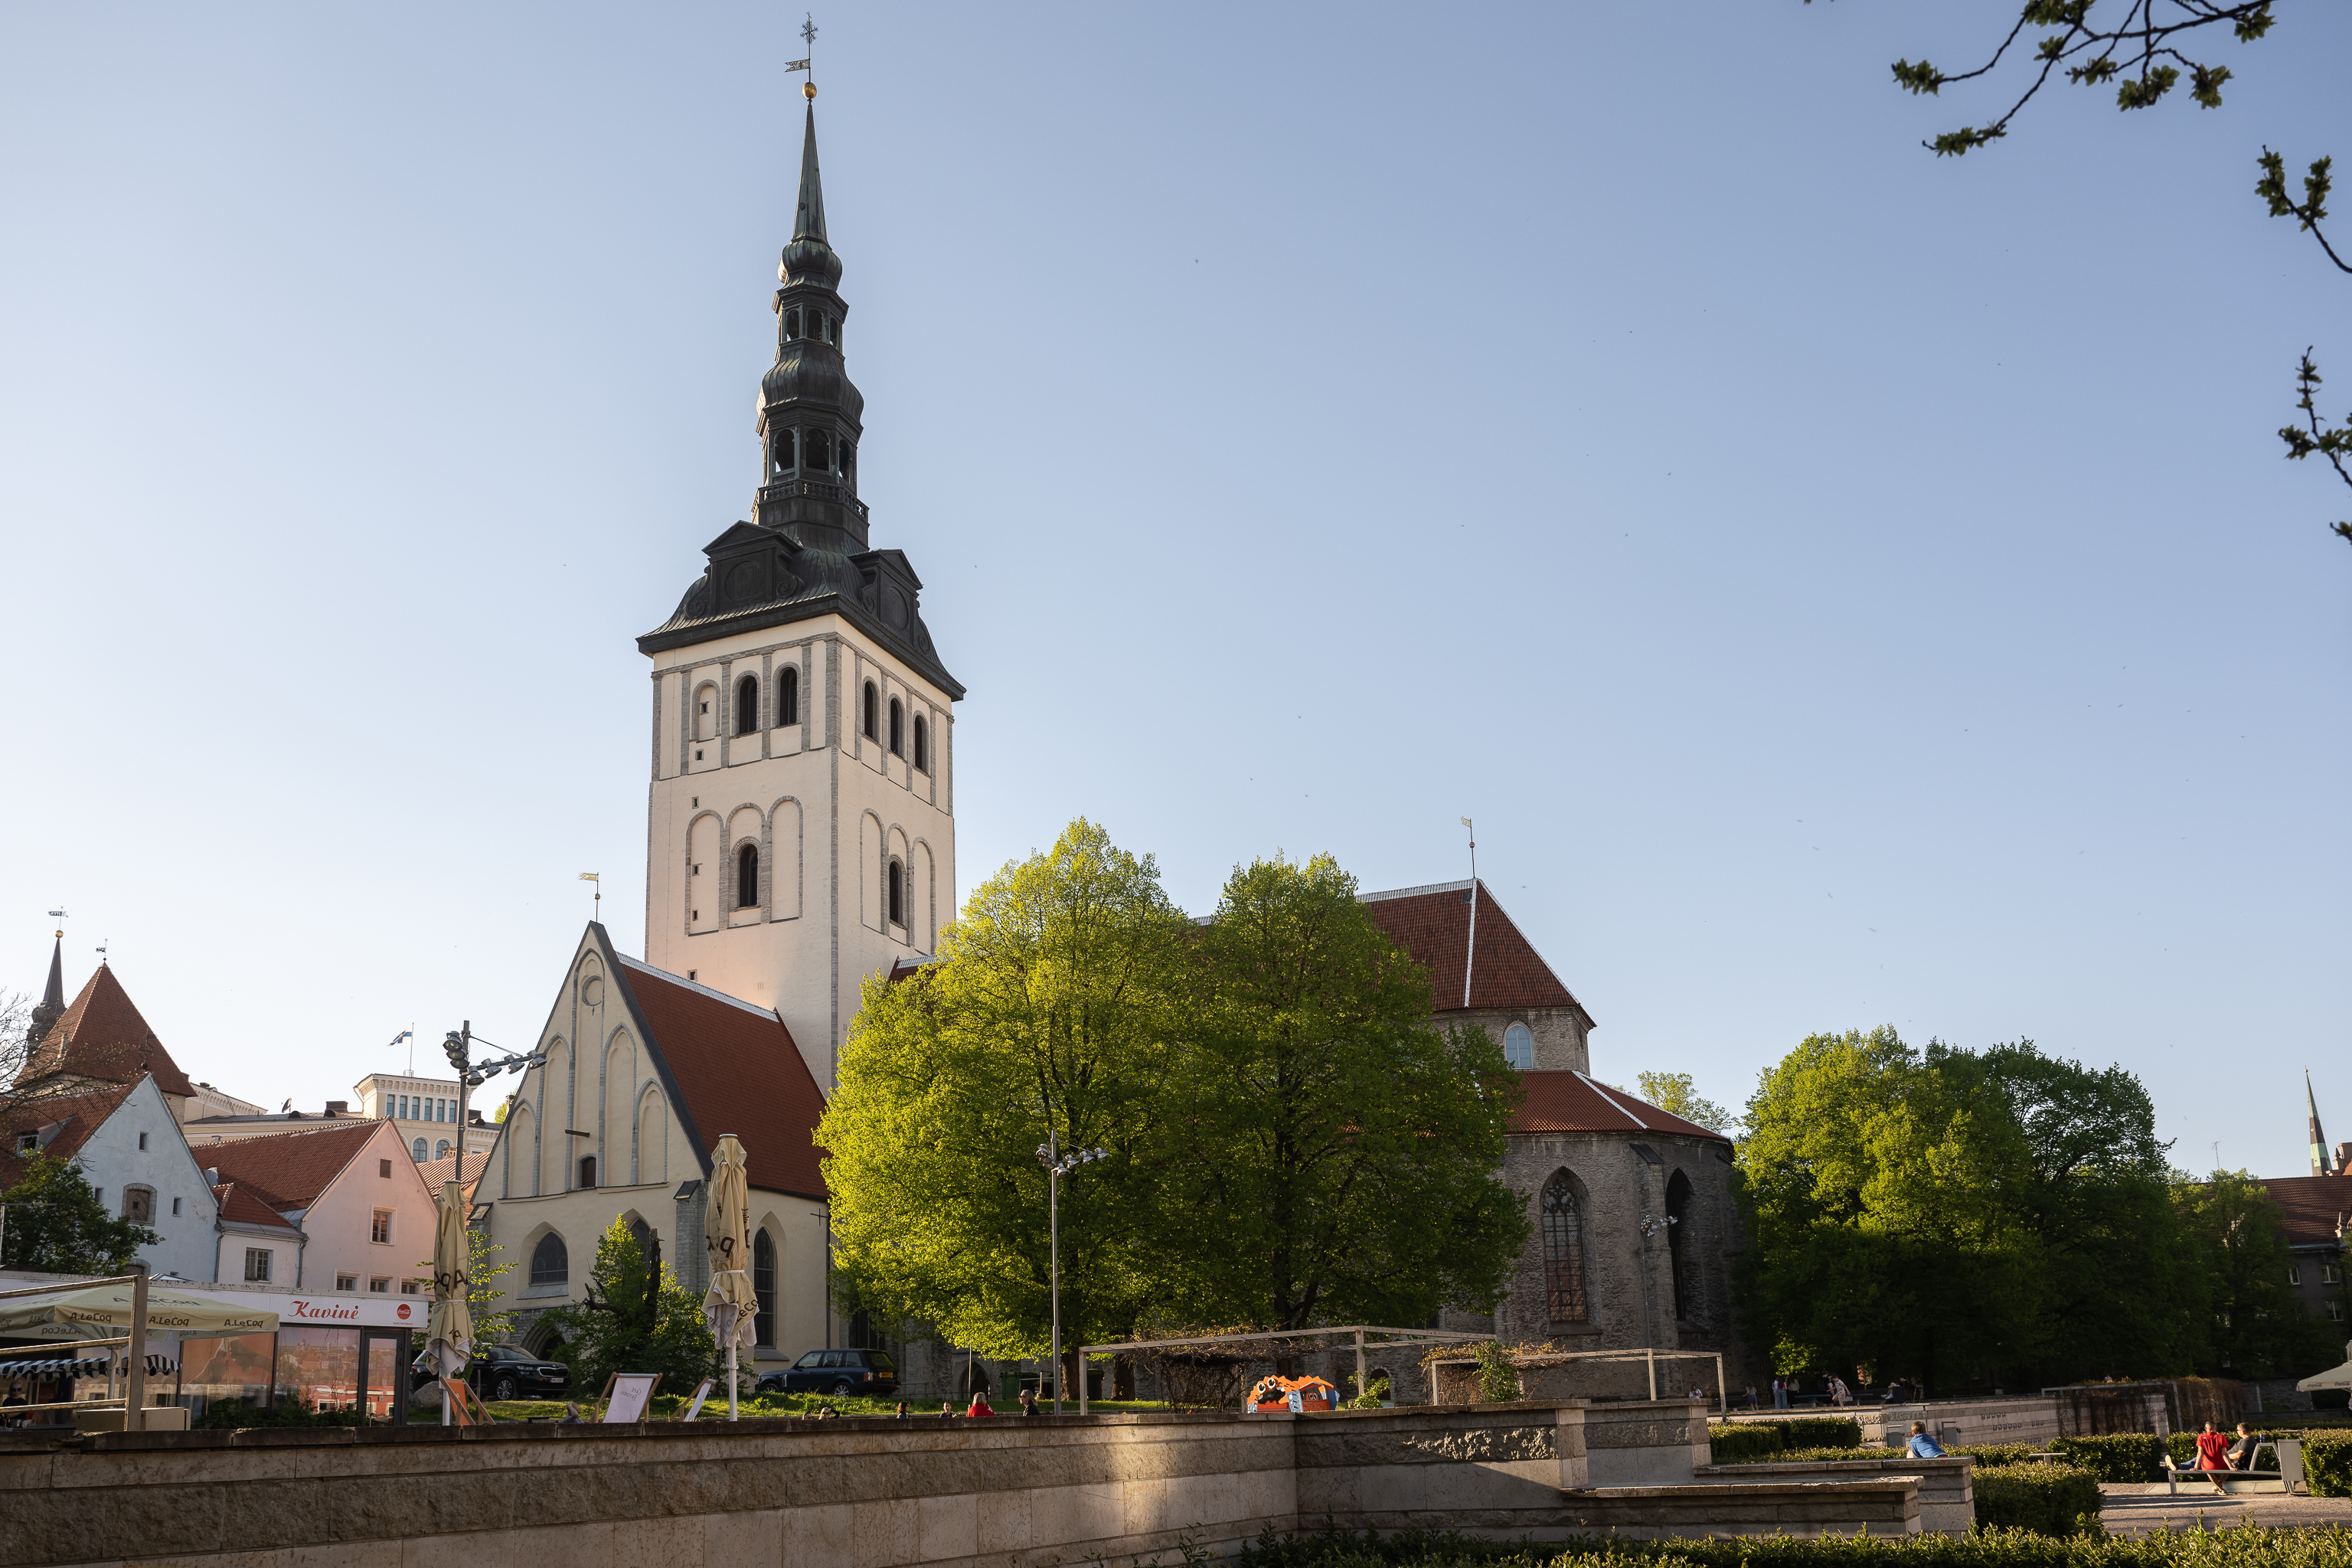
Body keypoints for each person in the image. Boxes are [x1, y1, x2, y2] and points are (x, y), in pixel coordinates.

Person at [2195, 1420, 2232, 1488]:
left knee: (2208, 1471)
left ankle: (2220, 1489)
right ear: (2216, 1429)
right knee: (2227, 1471)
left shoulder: (2201, 1437)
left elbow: (2200, 1453)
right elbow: (2224, 1454)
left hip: (2208, 1465)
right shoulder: (2221, 1437)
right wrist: (2231, 1467)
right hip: (2221, 1464)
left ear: (2205, 1429)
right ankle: (2219, 1487)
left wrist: (2196, 1467)